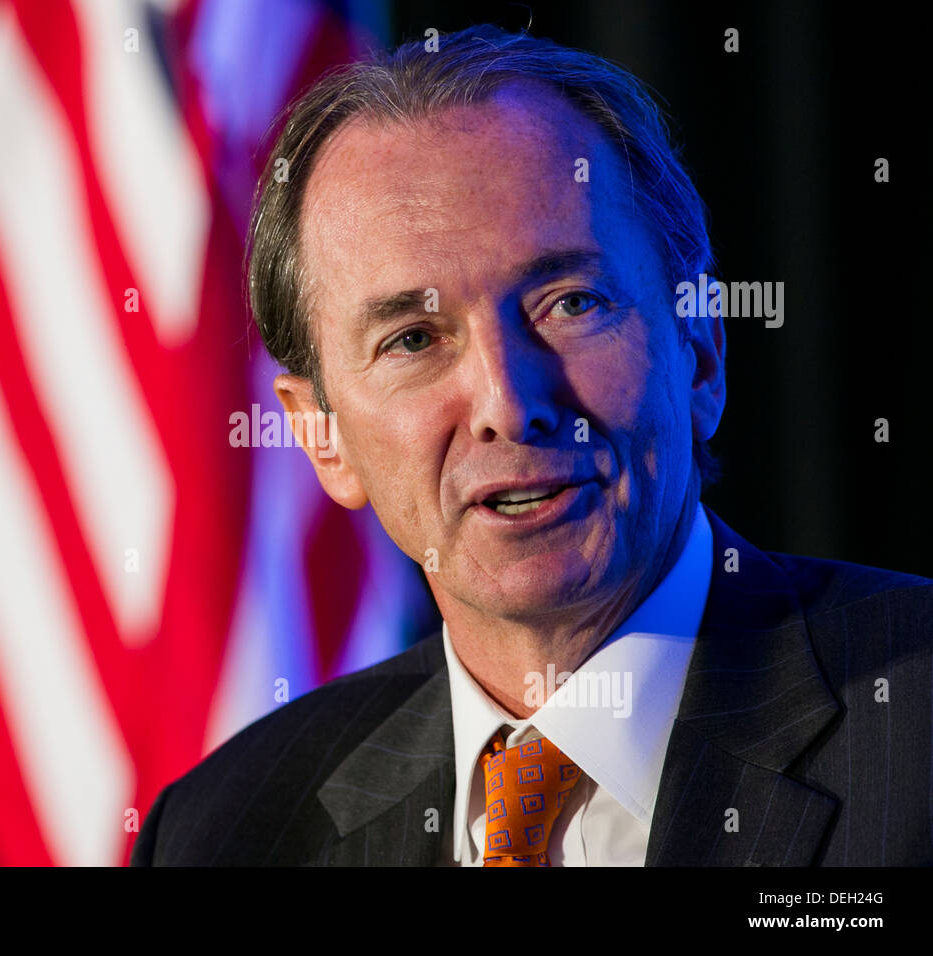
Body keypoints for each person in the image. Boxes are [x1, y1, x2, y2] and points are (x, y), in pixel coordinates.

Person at [130, 25, 933, 866]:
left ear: (699, 352)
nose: (510, 406)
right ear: (322, 436)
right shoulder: (225, 833)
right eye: (412, 340)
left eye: (570, 304)